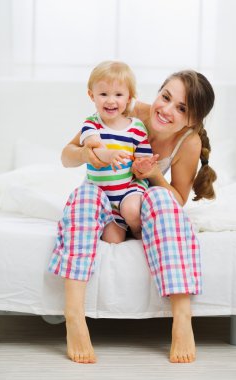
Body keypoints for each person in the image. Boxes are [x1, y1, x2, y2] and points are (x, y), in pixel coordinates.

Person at [48, 69, 217, 364]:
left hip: (140, 203)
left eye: (181, 108)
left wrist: (153, 175)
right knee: (83, 198)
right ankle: (74, 316)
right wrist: (88, 155)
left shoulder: (187, 142)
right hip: (106, 203)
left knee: (162, 197)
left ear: (192, 120)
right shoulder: (127, 108)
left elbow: (177, 199)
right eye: (165, 97)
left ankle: (182, 317)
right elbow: (67, 155)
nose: (165, 110)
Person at [79, 61, 155, 241]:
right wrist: (110, 154)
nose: (111, 100)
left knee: (130, 210)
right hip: (101, 195)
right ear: (92, 96)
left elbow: (144, 156)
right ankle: (118, 226)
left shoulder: (137, 127)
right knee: (114, 239)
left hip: (128, 188)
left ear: (129, 97)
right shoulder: (92, 124)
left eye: (118, 94)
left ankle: (136, 229)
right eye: (103, 94)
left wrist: (143, 163)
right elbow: (94, 146)